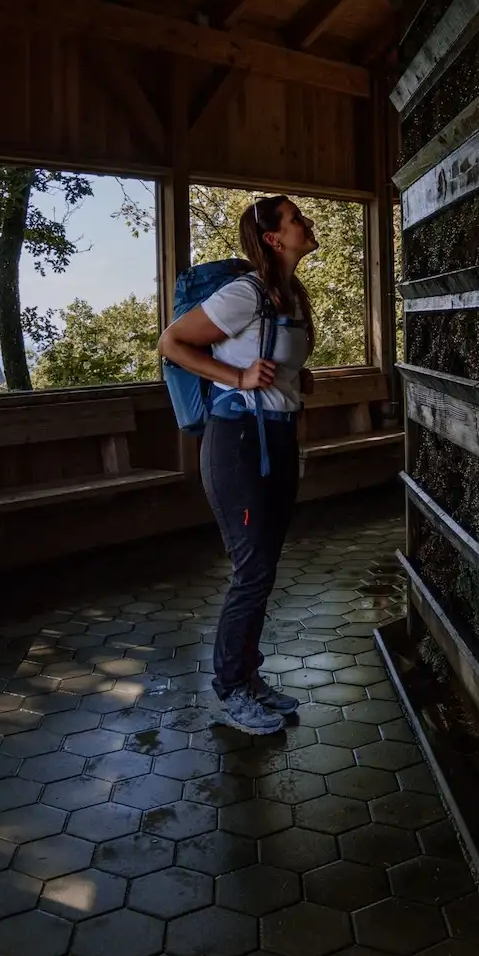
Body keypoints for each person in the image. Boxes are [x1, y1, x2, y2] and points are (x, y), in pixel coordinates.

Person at [158, 196, 318, 735]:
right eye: (297, 219)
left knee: (264, 568)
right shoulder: (244, 293)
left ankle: (249, 678)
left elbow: (281, 367)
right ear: (274, 238)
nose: (307, 222)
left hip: (278, 439)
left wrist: (293, 379)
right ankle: (231, 689)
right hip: (238, 446)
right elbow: (172, 343)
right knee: (252, 571)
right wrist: (239, 378)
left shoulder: (291, 295)